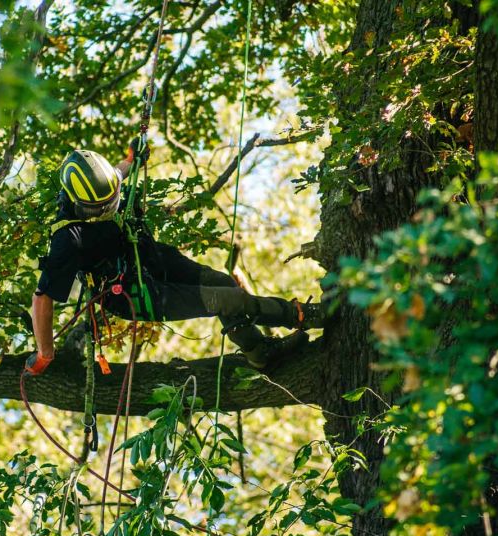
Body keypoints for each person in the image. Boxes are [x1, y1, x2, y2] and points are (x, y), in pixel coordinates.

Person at [24, 142, 324, 375]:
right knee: (229, 301)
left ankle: (260, 354)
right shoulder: (67, 239)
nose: (108, 210)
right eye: (100, 208)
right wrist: (45, 353)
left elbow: (118, 174)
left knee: (222, 282)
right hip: (137, 293)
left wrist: (131, 159)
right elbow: (42, 298)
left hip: (150, 259)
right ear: (78, 205)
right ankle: (300, 315)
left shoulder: (101, 184)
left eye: (111, 202)